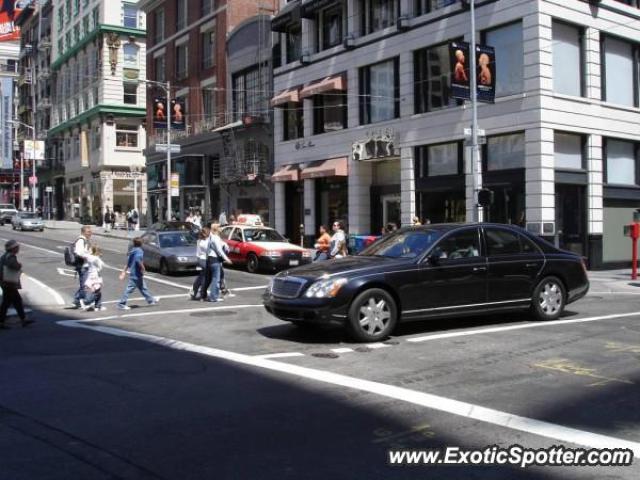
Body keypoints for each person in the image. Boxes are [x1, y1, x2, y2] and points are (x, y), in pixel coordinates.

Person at [117, 237, 158, 310]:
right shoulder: (139, 251)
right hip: (136, 274)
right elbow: (138, 260)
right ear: (141, 244)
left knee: (143, 288)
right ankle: (121, 304)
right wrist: (143, 268)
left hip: (134, 273)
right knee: (129, 289)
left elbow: (128, 263)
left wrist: (124, 272)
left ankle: (151, 300)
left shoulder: (133, 251)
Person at [0, 240, 32, 328]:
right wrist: (19, 265)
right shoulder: (10, 257)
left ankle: (23, 320)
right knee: (11, 302)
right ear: (12, 248)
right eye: (17, 247)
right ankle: (2, 322)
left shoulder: (5, 256)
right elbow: (13, 266)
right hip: (8, 283)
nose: (18, 248)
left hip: (5, 282)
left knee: (12, 301)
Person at [202, 224, 232, 302]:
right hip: (215, 260)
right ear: (216, 229)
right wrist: (227, 259)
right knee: (216, 279)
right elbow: (219, 250)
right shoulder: (216, 238)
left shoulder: (211, 237)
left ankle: (203, 295)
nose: (221, 229)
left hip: (209, 259)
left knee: (208, 279)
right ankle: (213, 297)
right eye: (220, 227)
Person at [72, 226, 92, 309]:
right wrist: (87, 257)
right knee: (84, 285)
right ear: (83, 232)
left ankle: (77, 300)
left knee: (84, 284)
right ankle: (81, 301)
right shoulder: (81, 240)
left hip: (85, 265)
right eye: (88, 232)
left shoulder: (85, 240)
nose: (90, 233)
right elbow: (78, 252)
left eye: (90, 231)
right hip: (83, 266)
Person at [81, 246, 105, 312]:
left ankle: (98, 306)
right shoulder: (96, 259)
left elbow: (84, 255)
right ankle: (86, 302)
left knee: (97, 292)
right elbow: (100, 268)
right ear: (97, 252)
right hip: (95, 277)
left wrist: (88, 252)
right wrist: (99, 257)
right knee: (96, 292)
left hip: (91, 275)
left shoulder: (89, 257)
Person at [190, 227, 210, 300]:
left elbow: (198, 253)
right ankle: (202, 294)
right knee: (205, 277)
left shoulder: (199, 240)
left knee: (202, 276)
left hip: (200, 259)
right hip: (205, 259)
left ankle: (194, 291)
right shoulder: (207, 241)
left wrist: (198, 260)